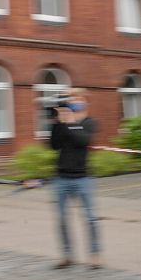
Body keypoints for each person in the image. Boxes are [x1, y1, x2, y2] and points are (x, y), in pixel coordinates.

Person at [48, 88, 102, 269]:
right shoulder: (64, 123)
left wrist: (70, 122)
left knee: (90, 218)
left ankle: (94, 255)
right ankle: (67, 255)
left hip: (82, 178)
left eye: (77, 99)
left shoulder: (90, 122)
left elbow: (83, 140)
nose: (73, 102)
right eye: (71, 99)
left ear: (85, 102)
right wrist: (56, 122)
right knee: (62, 219)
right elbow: (54, 146)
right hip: (61, 178)